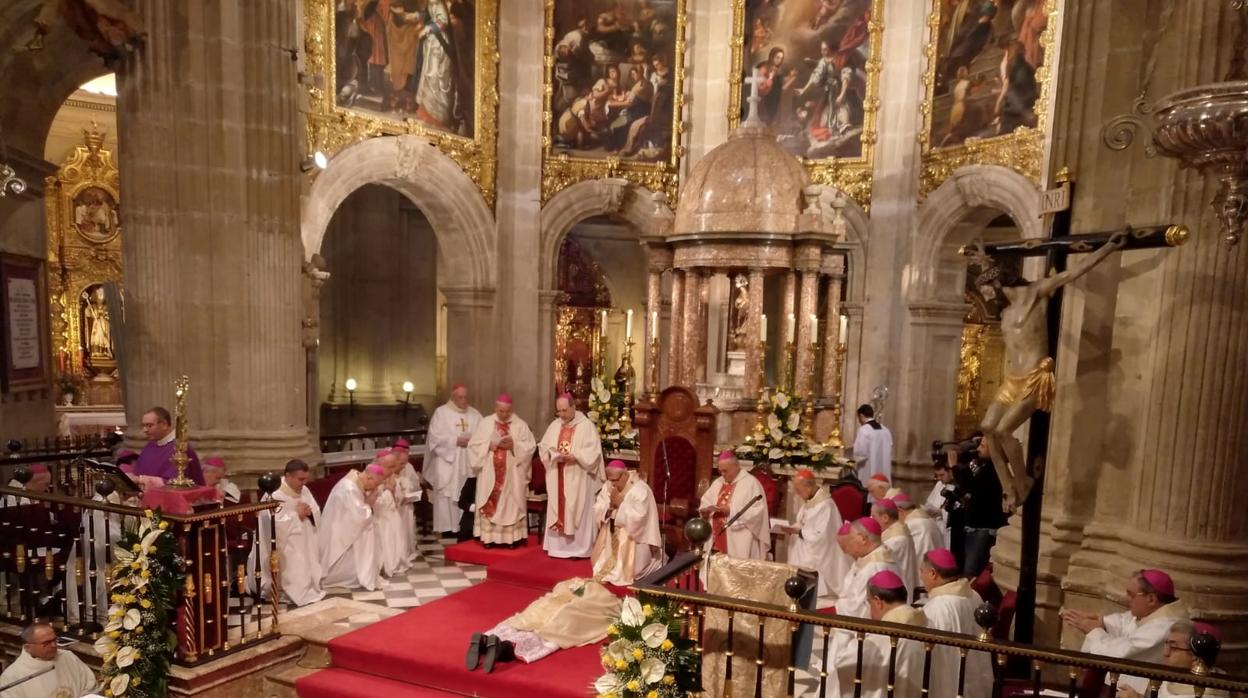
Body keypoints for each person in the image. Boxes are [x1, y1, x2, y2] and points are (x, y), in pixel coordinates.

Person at [966, 232, 1127, 509]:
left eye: (986, 288)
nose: (986, 295)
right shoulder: (1005, 311)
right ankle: (1009, 486)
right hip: (1013, 379)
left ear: (997, 281)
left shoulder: (1036, 293)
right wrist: (984, 262)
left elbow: (1074, 272)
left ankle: (1022, 482)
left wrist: (1108, 247)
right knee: (988, 428)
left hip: (1036, 377)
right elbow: (991, 274)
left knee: (1003, 431)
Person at [1062, 569, 1189, 695]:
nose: (1127, 599)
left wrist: (1094, 631)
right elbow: (1125, 622)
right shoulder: (1151, 614)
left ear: (1151, 599)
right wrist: (1102, 622)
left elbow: (1119, 652)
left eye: (1131, 595)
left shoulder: (1164, 627)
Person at [469, 577, 623, 672]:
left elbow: (557, 590)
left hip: (558, 603)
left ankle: (487, 640)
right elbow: (603, 612)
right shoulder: (606, 597)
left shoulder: (575, 583)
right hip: (570, 611)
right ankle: (504, 648)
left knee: (531, 616)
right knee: (552, 630)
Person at [830, 571, 927, 698]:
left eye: (869, 603)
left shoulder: (877, 640)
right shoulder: (927, 626)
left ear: (878, 602)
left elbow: (843, 667)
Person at [538, 393, 605, 558]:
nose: (561, 414)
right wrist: (550, 454)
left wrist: (576, 457)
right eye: (559, 411)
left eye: (565, 410)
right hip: (558, 475)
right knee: (559, 507)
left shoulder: (586, 426)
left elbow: (594, 452)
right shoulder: (554, 425)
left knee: (577, 509)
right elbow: (543, 447)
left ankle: (579, 549)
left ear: (573, 407)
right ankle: (557, 548)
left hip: (578, 475)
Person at [920, 549, 993, 698]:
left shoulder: (938, 608)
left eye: (922, 571)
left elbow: (934, 659)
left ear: (933, 573)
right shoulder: (974, 595)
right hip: (976, 684)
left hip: (950, 687)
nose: (921, 577)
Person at [467, 394, 537, 547]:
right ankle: (489, 538)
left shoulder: (520, 425)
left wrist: (515, 445)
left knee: (510, 504)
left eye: (507, 411)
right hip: (490, 473)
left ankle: (511, 539)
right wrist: (488, 445)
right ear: (495, 408)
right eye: (501, 411)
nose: (504, 415)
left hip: (512, 474)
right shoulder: (486, 423)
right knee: (491, 500)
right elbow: (473, 446)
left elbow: (530, 447)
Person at [777, 469, 850, 598]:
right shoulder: (810, 500)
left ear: (808, 486)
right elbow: (803, 522)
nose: (797, 493)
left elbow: (822, 535)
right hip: (806, 541)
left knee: (805, 559)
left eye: (798, 490)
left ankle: (814, 589)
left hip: (820, 548)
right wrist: (792, 528)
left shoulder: (826, 505)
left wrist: (800, 532)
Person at [589, 461, 663, 585]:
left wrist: (620, 505)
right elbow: (598, 507)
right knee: (598, 563)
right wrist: (609, 507)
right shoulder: (608, 486)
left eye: (615, 480)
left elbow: (639, 518)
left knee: (636, 570)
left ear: (624, 475)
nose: (612, 484)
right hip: (611, 534)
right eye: (610, 480)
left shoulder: (640, 489)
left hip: (634, 538)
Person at [1116, 621, 1229, 698]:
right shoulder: (1176, 675)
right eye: (1166, 645)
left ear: (1196, 655)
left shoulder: (1206, 691)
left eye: (1173, 648)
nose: (1165, 653)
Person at [425, 384, 482, 535]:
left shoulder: (475, 414)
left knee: (466, 491)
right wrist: (455, 441)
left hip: (468, 460)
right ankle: (448, 529)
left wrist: (472, 441)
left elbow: (483, 435)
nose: (463, 400)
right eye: (460, 397)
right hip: (448, 461)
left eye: (465, 397)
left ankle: (466, 526)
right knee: (447, 494)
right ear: (453, 397)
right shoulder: (441, 413)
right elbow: (434, 438)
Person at [319, 463, 385, 591]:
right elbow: (359, 516)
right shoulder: (349, 488)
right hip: (340, 530)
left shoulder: (355, 483)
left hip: (344, 526)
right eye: (376, 484)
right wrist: (369, 504)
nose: (375, 488)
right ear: (369, 478)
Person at [698, 451, 769, 560]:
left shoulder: (751, 483)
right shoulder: (718, 482)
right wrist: (705, 511)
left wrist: (730, 511)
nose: (722, 474)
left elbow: (758, 512)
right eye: (720, 471)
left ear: (736, 466)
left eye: (725, 471)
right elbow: (706, 501)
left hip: (739, 537)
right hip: (715, 533)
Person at [272, 459, 324, 607]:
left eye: (306, 479)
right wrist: (296, 515)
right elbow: (274, 523)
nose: (304, 483)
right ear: (288, 476)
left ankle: (308, 585)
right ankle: (288, 590)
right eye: (300, 479)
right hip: (287, 541)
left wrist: (309, 512)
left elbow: (316, 510)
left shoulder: (304, 490)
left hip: (305, 536)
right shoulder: (276, 494)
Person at [955, 438, 1009, 577]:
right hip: (976, 526)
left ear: (994, 450)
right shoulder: (985, 466)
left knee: (972, 571)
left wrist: (955, 467)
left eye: (983, 446)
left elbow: (971, 486)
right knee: (969, 567)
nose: (978, 449)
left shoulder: (994, 470)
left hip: (983, 528)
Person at [0, 622, 97, 697]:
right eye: (46, 643)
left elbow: (90, 687)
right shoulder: (12, 677)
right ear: (28, 647)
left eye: (54, 640)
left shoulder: (67, 657)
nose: (54, 645)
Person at [836, 517, 901, 619]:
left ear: (863, 539)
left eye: (850, 540)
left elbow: (858, 611)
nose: (845, 551)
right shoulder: (883, 552)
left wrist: (838, 605)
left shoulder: (873, 567)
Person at [135, 406, 204, 486]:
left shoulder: (180, 448)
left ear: (164, 424)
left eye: (149, 425)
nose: (145, 430)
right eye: (143, 426)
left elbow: (174, 484)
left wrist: (141, 480)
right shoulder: (150, 446)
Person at [371, 448, 410, 576]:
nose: (392, 470)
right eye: (390, 466)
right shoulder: (372, 478)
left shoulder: (391, 476)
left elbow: (397, 499)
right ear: (380, 464)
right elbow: (376, 503)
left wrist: (395, 492)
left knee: (396, 539)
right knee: (386, 541)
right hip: (381, 517)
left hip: (393, 514)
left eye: (393, 466)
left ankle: (396, 562)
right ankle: (385, 565)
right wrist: (388, 490)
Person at [872, 498, 919, 599]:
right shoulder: (898, 531)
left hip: (901, 590)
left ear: (885, 518)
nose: (871, 520)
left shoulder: (895, 540)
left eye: (873, 516)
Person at [391, 438, 423, 559]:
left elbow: (415, 484)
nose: (404, 466)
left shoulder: (408, 467)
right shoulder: (388, 466)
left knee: (406, 528)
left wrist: (409, 492)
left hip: (406, 505)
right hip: (393, 507)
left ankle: (407, 550)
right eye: (402, 463)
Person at [852, 404, 892, 484]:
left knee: (869, 487)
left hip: (868, 469)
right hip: (883, 468)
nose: (859, 421)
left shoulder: (864, 430)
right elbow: (890, 446)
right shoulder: (885, 430)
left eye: (858, 418)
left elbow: (860, 452)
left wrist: (852, 460)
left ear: (861, 416)